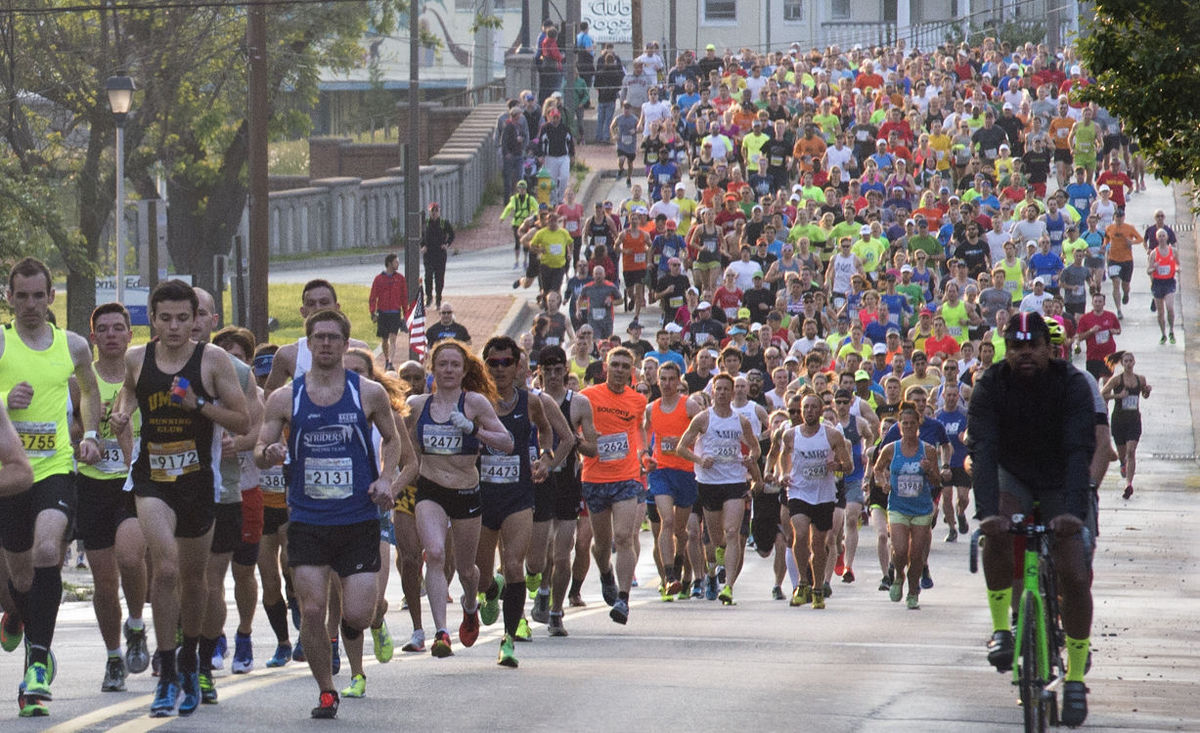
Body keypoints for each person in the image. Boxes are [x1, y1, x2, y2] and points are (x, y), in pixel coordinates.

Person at [255, 309, 409, 718]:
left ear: (345, 344)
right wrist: (268, 452)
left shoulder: (368, 393)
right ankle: (326, 690)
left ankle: (355, 634)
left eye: (333, 338)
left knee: (358, 613)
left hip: (357, 518)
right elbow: (260, 446)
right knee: (310, 608)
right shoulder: (285, 397)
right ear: (308, 344)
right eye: (318, 337)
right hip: (306, 520)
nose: (325, 344)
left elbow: (392, 441)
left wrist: (384, 478)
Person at [109, 279, 249, 717]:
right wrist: (121, 415)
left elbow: (243, 420)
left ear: (197, 319)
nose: (174, 328)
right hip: (152, 480)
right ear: (151, 319)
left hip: (196, 484)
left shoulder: (213, 360)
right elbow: (129, 392)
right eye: (165, 318)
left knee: (195, 583)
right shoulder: (137, 358)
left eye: (183, 319)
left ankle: (190, 660)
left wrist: (198, 406)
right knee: (165, 568)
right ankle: (166, 672)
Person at [967, 311, 1096, 728]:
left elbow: (1081, 451)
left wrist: (1074, 514)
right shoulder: (989, 386)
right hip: (1013, 473)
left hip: (1060, 476)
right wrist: (986, 515)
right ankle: (1002, 629)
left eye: (1033, 346)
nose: (1025, 354)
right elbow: (983, 452)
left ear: (1049, 349)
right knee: (998, 529)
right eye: (1016, 346)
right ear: (1006, 349)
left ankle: (1075, 676)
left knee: (1074, 573)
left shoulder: (1072, 383)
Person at [0, 258, 103, 717]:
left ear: (51, 297)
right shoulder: (1, 343)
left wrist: (93, 434)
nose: (30, 305)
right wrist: (5, 400)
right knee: (21, 577)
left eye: (38, 295)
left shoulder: (74, 345)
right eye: (21, 296)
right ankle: (23, 621)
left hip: (55, 469)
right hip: (9, 474)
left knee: (47, 552)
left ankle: (37, 662)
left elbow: (90, 390)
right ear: (8, 298)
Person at [407, 340, 511, 657]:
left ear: (464, 370)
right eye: (443, 364)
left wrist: (474, 429)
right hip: (431, 489)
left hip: (466, 491)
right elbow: (407, 451)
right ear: (433, 369)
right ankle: (441, 632)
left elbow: (506, 442)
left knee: (468, 571)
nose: (449, 370)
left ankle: (470, 604)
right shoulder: (418, 404)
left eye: (455, 365)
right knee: (435, 554)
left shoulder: (475, 402)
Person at [472, 338, 564, 667]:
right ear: (485, 365)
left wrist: (545, 456)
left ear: (517, 366)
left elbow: (545, 431)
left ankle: (508, 640)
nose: (499, 369)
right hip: (481, 497)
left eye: (506, 362)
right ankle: (490, 588)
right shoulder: (475, 401)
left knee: (514, 564)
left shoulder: (530, 402)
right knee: (481, 575)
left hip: (518, 495)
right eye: (493, 363)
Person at [76, 302, 150, 692]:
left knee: (130, 554)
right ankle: (113, 656)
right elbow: (70, 425)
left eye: (118, 328)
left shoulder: (144, 377)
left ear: (130, 335)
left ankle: (136, 623)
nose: (110, 335)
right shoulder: (82, 381)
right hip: (93, 485)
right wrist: (82, 442)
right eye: (102, 329)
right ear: (93, 337)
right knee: (104, 583)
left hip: (135, 481)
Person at [675, 372, 762, 605]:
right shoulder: (703, 419)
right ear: (713, 392)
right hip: (708, 483)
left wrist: (750, 459)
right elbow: (681, 448)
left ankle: (729, 587)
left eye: (726, 389)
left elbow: (755, 448)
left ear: (732, 392)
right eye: (719, 389)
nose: (722, 393)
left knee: (733, 532)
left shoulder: (740, 421)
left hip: (734, 481)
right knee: (715, 538)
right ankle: (711, 573)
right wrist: (700, 460)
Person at [580, 347, 648, 624]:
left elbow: (639, 429)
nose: (619, 370)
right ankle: (606, 572)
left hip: (626, 476)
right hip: (595, 477)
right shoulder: (588, 397)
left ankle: (623, 598)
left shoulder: (638, 400)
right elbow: (574, 430)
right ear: (606, 368)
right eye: (615, 365)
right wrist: (585, 447)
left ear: (631, 371)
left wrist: (643, 454)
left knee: (624, 536)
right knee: (602, 544)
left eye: (625, 366)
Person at [775, 393, 852, 609]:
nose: (809, 411)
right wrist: (783, 474)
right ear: (801, 410)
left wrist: (837, 466)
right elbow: (783, 456)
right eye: (805, 407)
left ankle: (818, 588)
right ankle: (802, 583)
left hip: (824, 494)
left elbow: (849, 466)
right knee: (800, 534)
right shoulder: (790, 435)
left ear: (820, 410)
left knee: (819, 544)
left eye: (813, 407)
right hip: (799, 491)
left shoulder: (832, 435)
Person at [872, 404, 941, 610]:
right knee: (900, 550)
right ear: (900, 426)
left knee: (917, 553)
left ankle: (913, 591)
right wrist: (882, 482)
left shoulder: (927, 450)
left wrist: (929, 471)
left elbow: (937, 481)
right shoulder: (891, 448)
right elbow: (877, 470)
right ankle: (899, 576)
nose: (908, 427)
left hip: (921, 508)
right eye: (905, 424)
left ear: (918, 425)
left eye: (912, 424)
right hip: (898, 506)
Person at [264, 280, 369, 393]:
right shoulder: (288, 354)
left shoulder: (359, 349)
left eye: (324, 302)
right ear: (303, 311)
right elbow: (270, 390)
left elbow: (375, 388)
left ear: (337, 307)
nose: (318, 308)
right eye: (311, 304)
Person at [1100, 351, 1150, 500]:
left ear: (1134, 363)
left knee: (1131, 451)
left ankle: (1129, 484)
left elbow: (1145, 395)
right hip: (1119, 420)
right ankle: (1122, 464)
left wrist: (1147, 391)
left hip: (1134, 420)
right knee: (1123, 454)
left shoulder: (1140, 379)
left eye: (1130, 361)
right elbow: (1102, 394)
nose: (1128, 364)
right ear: (1122, 364)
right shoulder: (1116, 380)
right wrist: (1117, 396)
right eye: (1125, 361)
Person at [369, 253, 408, 372]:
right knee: (384, 339)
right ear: (390, 263)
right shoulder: (379, 279)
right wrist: (372, 312)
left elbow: (404, 297)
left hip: (395, 313)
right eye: (396, 262)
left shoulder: (400, 279)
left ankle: (390, 361)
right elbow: (373, 297)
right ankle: (386, 359)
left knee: (393, 338)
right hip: (383, 313)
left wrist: (405, 313)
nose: (398, 264)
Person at [420, 203, 455, 309]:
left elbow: (452, 235)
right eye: (432, 211)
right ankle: (429, 298)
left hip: (440, 254)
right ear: (429, 212)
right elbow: (421, 236)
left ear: (439, 212)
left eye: (436, 211)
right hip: (429, 254)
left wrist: (447, 244)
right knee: (428, 276)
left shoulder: (444, 223)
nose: (434, 213)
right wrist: (422, 246)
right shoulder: (425, 223)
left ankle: (438, 300)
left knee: (439, 278)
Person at [1147, 229, 1177, 344]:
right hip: (1157, 283)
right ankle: (1163, 334)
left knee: (1170, 307)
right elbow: (1148, 270)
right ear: (1157, 238)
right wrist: (1154, 267)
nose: (1162, 238)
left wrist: (1178, 269)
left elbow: (1178, 263)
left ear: (1167, 237)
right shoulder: (1154, 253)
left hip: (1169, 282)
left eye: (1163, 236)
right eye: (1159, 236)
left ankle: (1171, 330)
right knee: (1160, 312)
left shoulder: (1173, 251)